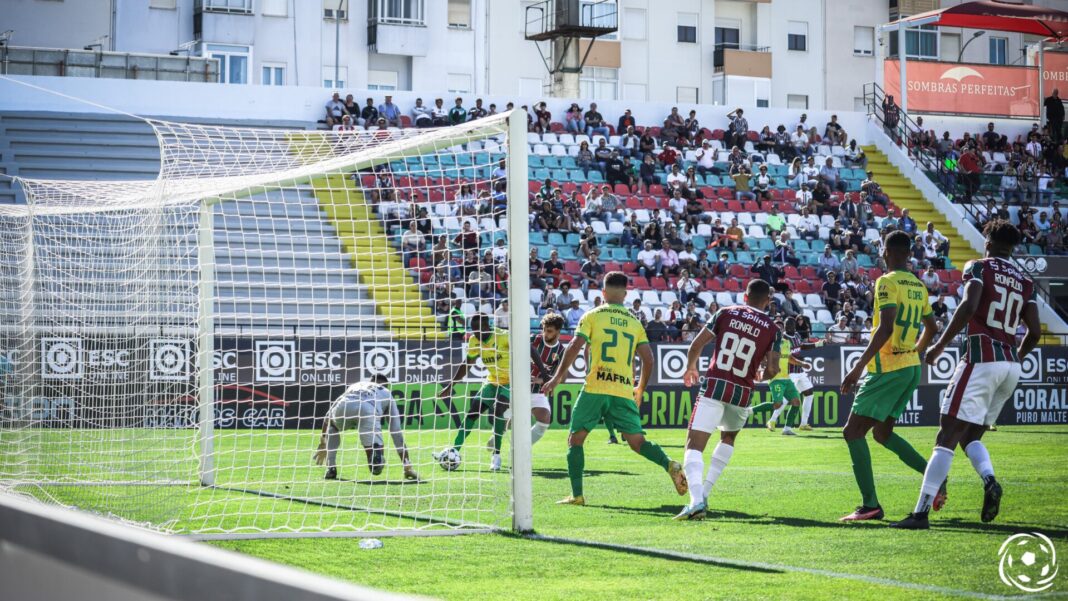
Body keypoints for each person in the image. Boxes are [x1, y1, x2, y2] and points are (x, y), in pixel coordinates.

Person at [891, 221, 1040, 529]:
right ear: (1011, 248)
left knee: (946, 435)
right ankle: (989, 480)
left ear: (987, 242)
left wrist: (940, 344)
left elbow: (969, 305)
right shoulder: (1025, 282)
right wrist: (1012, 357)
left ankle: (919, 514)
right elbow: (1035, 332)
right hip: (1010, 366)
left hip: (981, 357)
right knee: (970, 436)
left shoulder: (979, 267)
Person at [542, 272, 687, 506]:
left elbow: (574, 346)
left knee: (575, 440)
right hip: (623, 389)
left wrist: (558, 377)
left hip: (596, 387)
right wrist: (639, 388)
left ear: (603, 292)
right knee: (638, 442)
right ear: (626, 295)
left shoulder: (592, 316)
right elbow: (648, 359)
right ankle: (670, 464)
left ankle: (577, 495)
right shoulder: (635, 322)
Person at [838, 231, 941, 522]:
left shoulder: (886, 281)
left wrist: (858, 367)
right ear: (908, 254)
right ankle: (937, 479)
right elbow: (932, 328)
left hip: (888, 367)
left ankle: (870, 505)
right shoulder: (919, 286)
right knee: (882, 434)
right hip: (910, 367)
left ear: (886, 252)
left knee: (852, 432)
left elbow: (885, 328)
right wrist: (916, 352)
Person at [672, 279, 782, 520]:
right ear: (767, 302)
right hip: (742, 391)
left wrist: (691, 367)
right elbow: (773, 370)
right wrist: (761, 375)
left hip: (715, 386)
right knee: (728, 437)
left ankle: (696, 500)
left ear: (745, 296)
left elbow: (697, 344)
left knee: (694, 446)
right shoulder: (773, 329)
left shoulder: (726, 313)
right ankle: (705, 494)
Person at [433, 314, 511, 472]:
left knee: (498, 411)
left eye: (479, 329)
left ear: (487, 326)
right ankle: (454, 450)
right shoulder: (474, 341)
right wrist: (450, 385)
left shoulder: (503, 336)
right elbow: (467, 364)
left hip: (511, 382)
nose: (476, 333)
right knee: (472, 412)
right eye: (474, 329)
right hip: (492, 381)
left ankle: (496, 456)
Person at [314, 375, 418, 481]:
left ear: (371, 382)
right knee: (377, 465)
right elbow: (396, 431)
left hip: (345, 405)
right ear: (386, 385)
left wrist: (323, 442)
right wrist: (407, 464)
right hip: (368, 409)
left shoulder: (356, 385)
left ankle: (331, 468)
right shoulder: (386, 392)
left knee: (332, 427)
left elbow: (327, 416)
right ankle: (375, 457)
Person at [748, 317, 809, 437]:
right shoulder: (769, 343)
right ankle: (750, 411)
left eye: (781, 327)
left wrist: (802, 364)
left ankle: (787, 429)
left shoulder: (786, 342)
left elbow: (789, 358)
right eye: (777, 327)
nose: (779, 329)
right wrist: (770, 365)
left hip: (786, 378)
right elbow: (762, 357)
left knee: (796, 402)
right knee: (778, 404)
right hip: (775, 379)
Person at [529, 313, 567, 446]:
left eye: (549, 331)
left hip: (537, 391)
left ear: (558, 331)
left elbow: (562, 378)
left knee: (544, 420)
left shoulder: (561, 351)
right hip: (517, 387)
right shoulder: (533, 340)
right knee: (505, 421)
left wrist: (542, 380)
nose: (545, 333)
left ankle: (522, 447)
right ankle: (495, 446)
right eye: (544, 329)